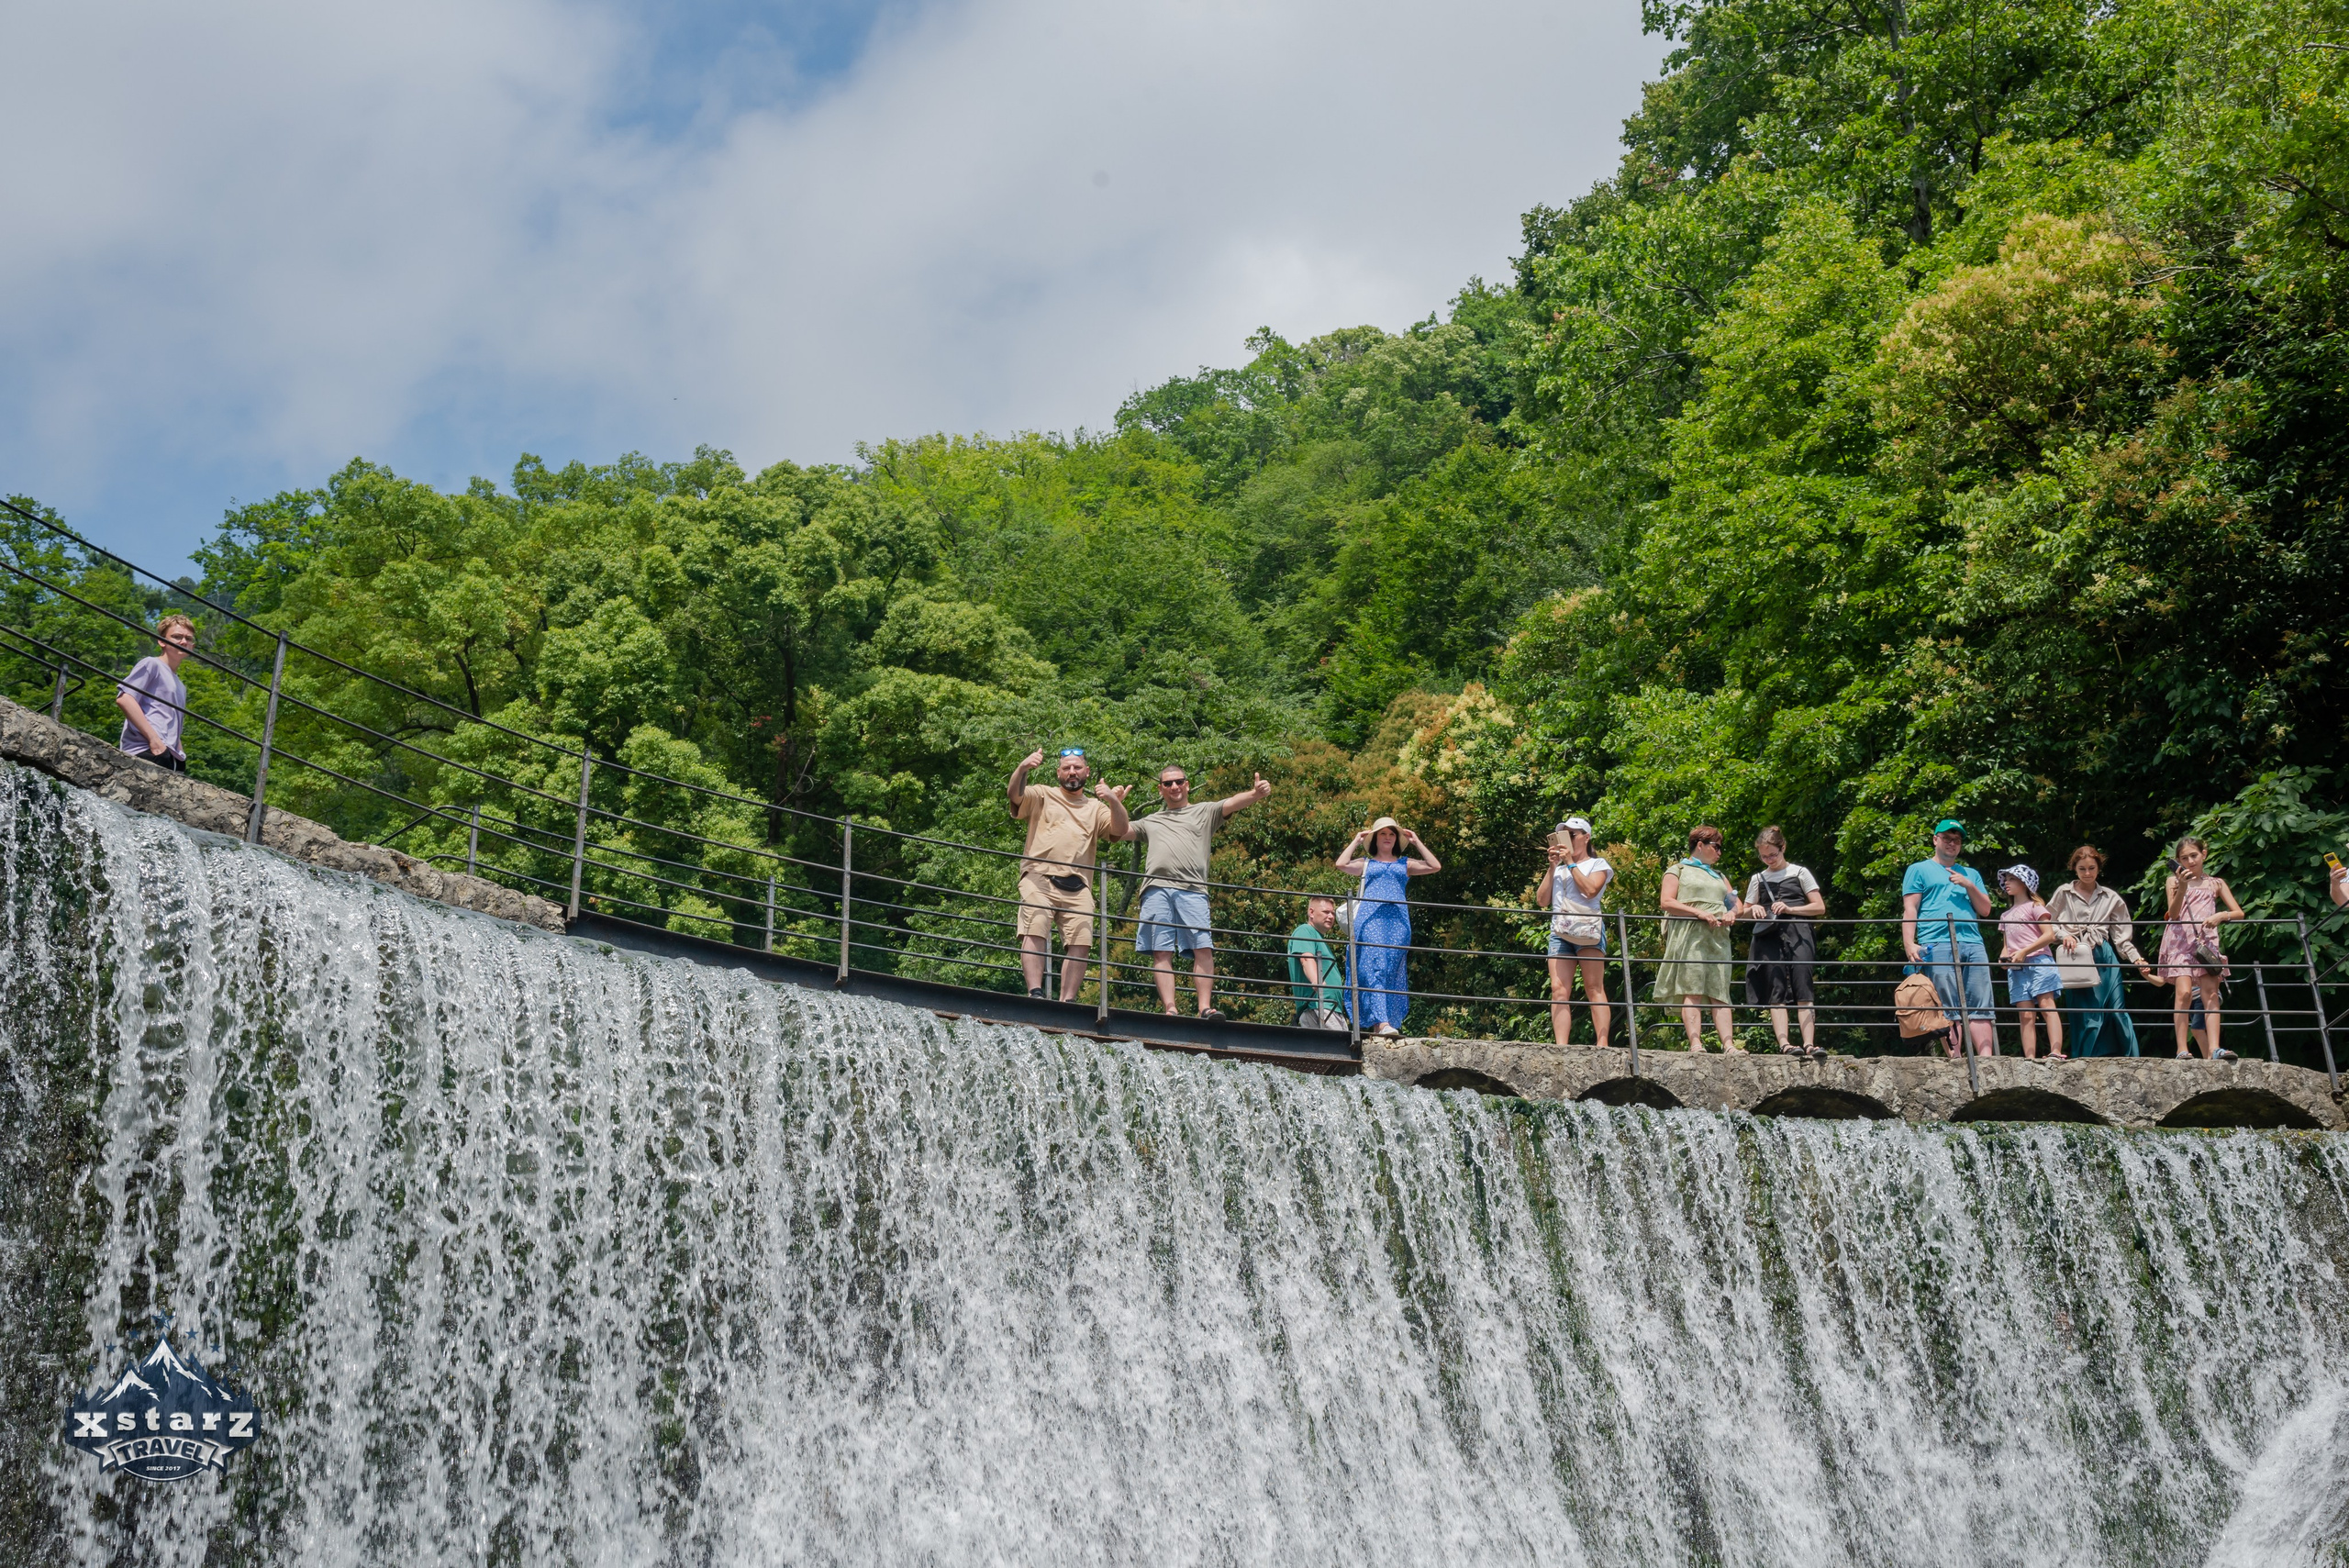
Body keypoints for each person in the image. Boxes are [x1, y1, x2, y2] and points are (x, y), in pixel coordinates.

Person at [1116, 764, 1272, 1019]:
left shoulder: (1205, 811)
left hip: (1193, 890)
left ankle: (1204, 1008)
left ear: (1187, 784)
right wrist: (1115, 803)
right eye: (1168, 783)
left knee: (1203, 947)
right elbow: (1118, 831)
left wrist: (1256, 794)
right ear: (1160, 789)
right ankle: (1171, 1009)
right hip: (1156, 889)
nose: (1174, 787)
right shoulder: (1151, 820)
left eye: (1179, 781)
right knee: (1161, 950)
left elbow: (1232, 803)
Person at [1006, 748, 1130, 1002]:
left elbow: (1120, 829)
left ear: (1087, 772)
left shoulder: (1096, 807)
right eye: (1066, 768)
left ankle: (1068, 1000)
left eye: (1077, 767)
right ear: (1058, 773)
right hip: (1039, 877)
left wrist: (1114, 801)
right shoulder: (1043, 794)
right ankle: (1036, 993)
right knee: (1035, 927)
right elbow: (1015, 796)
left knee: (1082, 940)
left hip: (1079, 884)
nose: (1072, 772)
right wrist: (1023, 768)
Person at [1334, 817, 1442, 1037]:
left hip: (1398, 924)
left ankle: (1382, 1025)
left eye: (1392, 834)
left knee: (1391, 970)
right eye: (1382, 834)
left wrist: (1417, 842)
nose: (1388, 838)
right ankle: (1382, 1023)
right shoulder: (1366, 863)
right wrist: (1355, 841)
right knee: (1376, 967)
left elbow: (1435, 866)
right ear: (1375, 838)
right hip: (1371, 919)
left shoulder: (1405, 864)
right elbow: (1341, 864)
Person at [2046, 846, 2156, 1058]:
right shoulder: (2064, 892)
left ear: (2098, 868)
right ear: (2074, 869)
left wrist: (2137, 959)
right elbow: (2046, 922)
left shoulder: (2110, 897)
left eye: (2091, 868)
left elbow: (2122, 937)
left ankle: (2128, 1057)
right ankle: (2086, 1058)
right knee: (2088, 1016)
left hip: (2104, 956)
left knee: (2116, 1010)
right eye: (2082, 869)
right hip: (2076, 955)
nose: (2087, 873)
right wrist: (2063, 935)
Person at [1900, 819, 1996, 1058]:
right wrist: (1910, 943)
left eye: (1957, 840)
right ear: (1935, 840)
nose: (1952, 843)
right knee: (1948, 1005)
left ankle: (1985, 1061)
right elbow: (1910, 908)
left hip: (1973, 942)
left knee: (1981, 1004)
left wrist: (1969, 885)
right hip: (1937, 942)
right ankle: (1956, 1060)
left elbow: (1985, 910)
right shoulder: (1919, 869)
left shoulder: (1971, 874)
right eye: (1947, 838)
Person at [1656, 826, 1742, 1052]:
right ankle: (1696, 1044)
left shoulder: (1719, 876)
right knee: (1691, 988)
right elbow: (1666, 902)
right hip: (1690, 935)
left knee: (1720, 991)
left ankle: (1729, 1045)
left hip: (1718, 938)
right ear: (1700, 845)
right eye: (1716, 847)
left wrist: (1733, 912)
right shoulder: (1678, 870)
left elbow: (1736, 903)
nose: (1720, 852)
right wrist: (1699, 913)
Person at [2156, 836, 2243, 1061]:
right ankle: (2181, 1049)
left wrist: (2221, 915)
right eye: (2184, 858)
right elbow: (2173, 914)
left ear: (2204, 854)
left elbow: (2238, 912)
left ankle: (2214, 1048)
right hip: (2179, 939)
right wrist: (2182, 887)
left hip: (2206, 942)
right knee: (2184, 993)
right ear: (2178, 861)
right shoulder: (2173, 881)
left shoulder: (2216, 883)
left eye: (2193, 855)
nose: (2190, 861)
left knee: (2211, 993)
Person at [1740, 826, 1823, 1056]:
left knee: (1803, 984)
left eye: (1773, 855)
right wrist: (1754, 907)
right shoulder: (1758, 878)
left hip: (1799, 932)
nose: (1769, 860)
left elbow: (1819, 906)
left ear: (1783, 847)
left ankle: (1809, 1044)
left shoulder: (1800, 873)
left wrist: (1789, 908)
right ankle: (1785, 1044)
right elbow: (1743, 911)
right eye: (1764, 856)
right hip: (1769, 936)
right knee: (1775, 987)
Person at [1531, 817, 1611, 1047]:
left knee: (1594, 987)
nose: (1567, 839)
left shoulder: (1599, 864)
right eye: (1563, 834)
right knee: (1558, 989)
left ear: (1586, 838)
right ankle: (1561, 1047)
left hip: (1588, 929)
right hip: (1560, 931)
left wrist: (1571, 863)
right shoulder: (1558, 868)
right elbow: (1541, 900)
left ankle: (1603, 1044)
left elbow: (1590, 891)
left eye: (1572, 835)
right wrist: (1553, 866)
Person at [1996, 865, 2066, 1061]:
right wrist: (2004, 959)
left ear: (2024, 883)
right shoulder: (2005, 915)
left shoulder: (2036, 907)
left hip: (2039, 962)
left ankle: (2056, 1051)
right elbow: (2007, 945)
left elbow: (2049, 935)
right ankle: (2029, 1057)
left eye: (2011, 879)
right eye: (2006, 880)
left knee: (2047, 1006)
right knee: (2025, 1015)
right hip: (2018, 968)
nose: (2006, 883)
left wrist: (2025, 951)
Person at [115, 614, 196, 771]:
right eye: (177, 636)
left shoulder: (180, 685)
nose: (184, 642)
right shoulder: (151, 664)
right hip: (145, 749)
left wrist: (180, 754)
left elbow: (173, 721)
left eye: (189, 638)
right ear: (161, 641)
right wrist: (155, 741)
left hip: (169, 755)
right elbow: (125, 699)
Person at [1286, 895, 1348, 1029]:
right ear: (1311, 912)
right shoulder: (1305, 930)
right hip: (1318, 1007)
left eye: (1332, 913)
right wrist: (1316, 980)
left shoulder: (1320, 939)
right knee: (1335, 1049)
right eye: (1326, 912)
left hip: (1329, 1009)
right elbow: (1306, 958)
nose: (1331, 916)